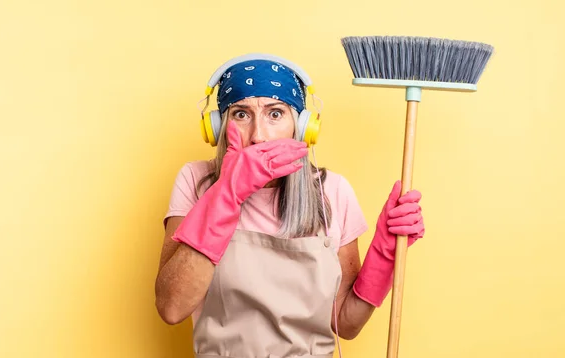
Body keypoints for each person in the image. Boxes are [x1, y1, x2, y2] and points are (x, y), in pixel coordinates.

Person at [154, 53, 425, 358]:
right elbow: (171, 307)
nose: (258, 136)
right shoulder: (196, 181)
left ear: (302, 126)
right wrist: (225, 195)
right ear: (218, 126)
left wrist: (385, 254)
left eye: (275, 113)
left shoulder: (333, 192)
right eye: (241, 114)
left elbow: (346, 325)